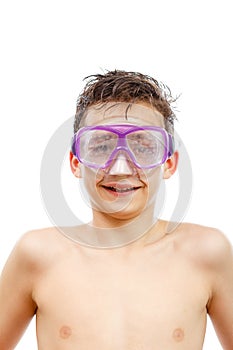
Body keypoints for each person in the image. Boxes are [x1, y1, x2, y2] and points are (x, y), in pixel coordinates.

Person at [0, 70, 233, 350]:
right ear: (76, 163)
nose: (120, 168)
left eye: (143, 147)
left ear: (169, 164)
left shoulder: (206, 253)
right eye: (100, 147)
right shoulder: (37, 254)